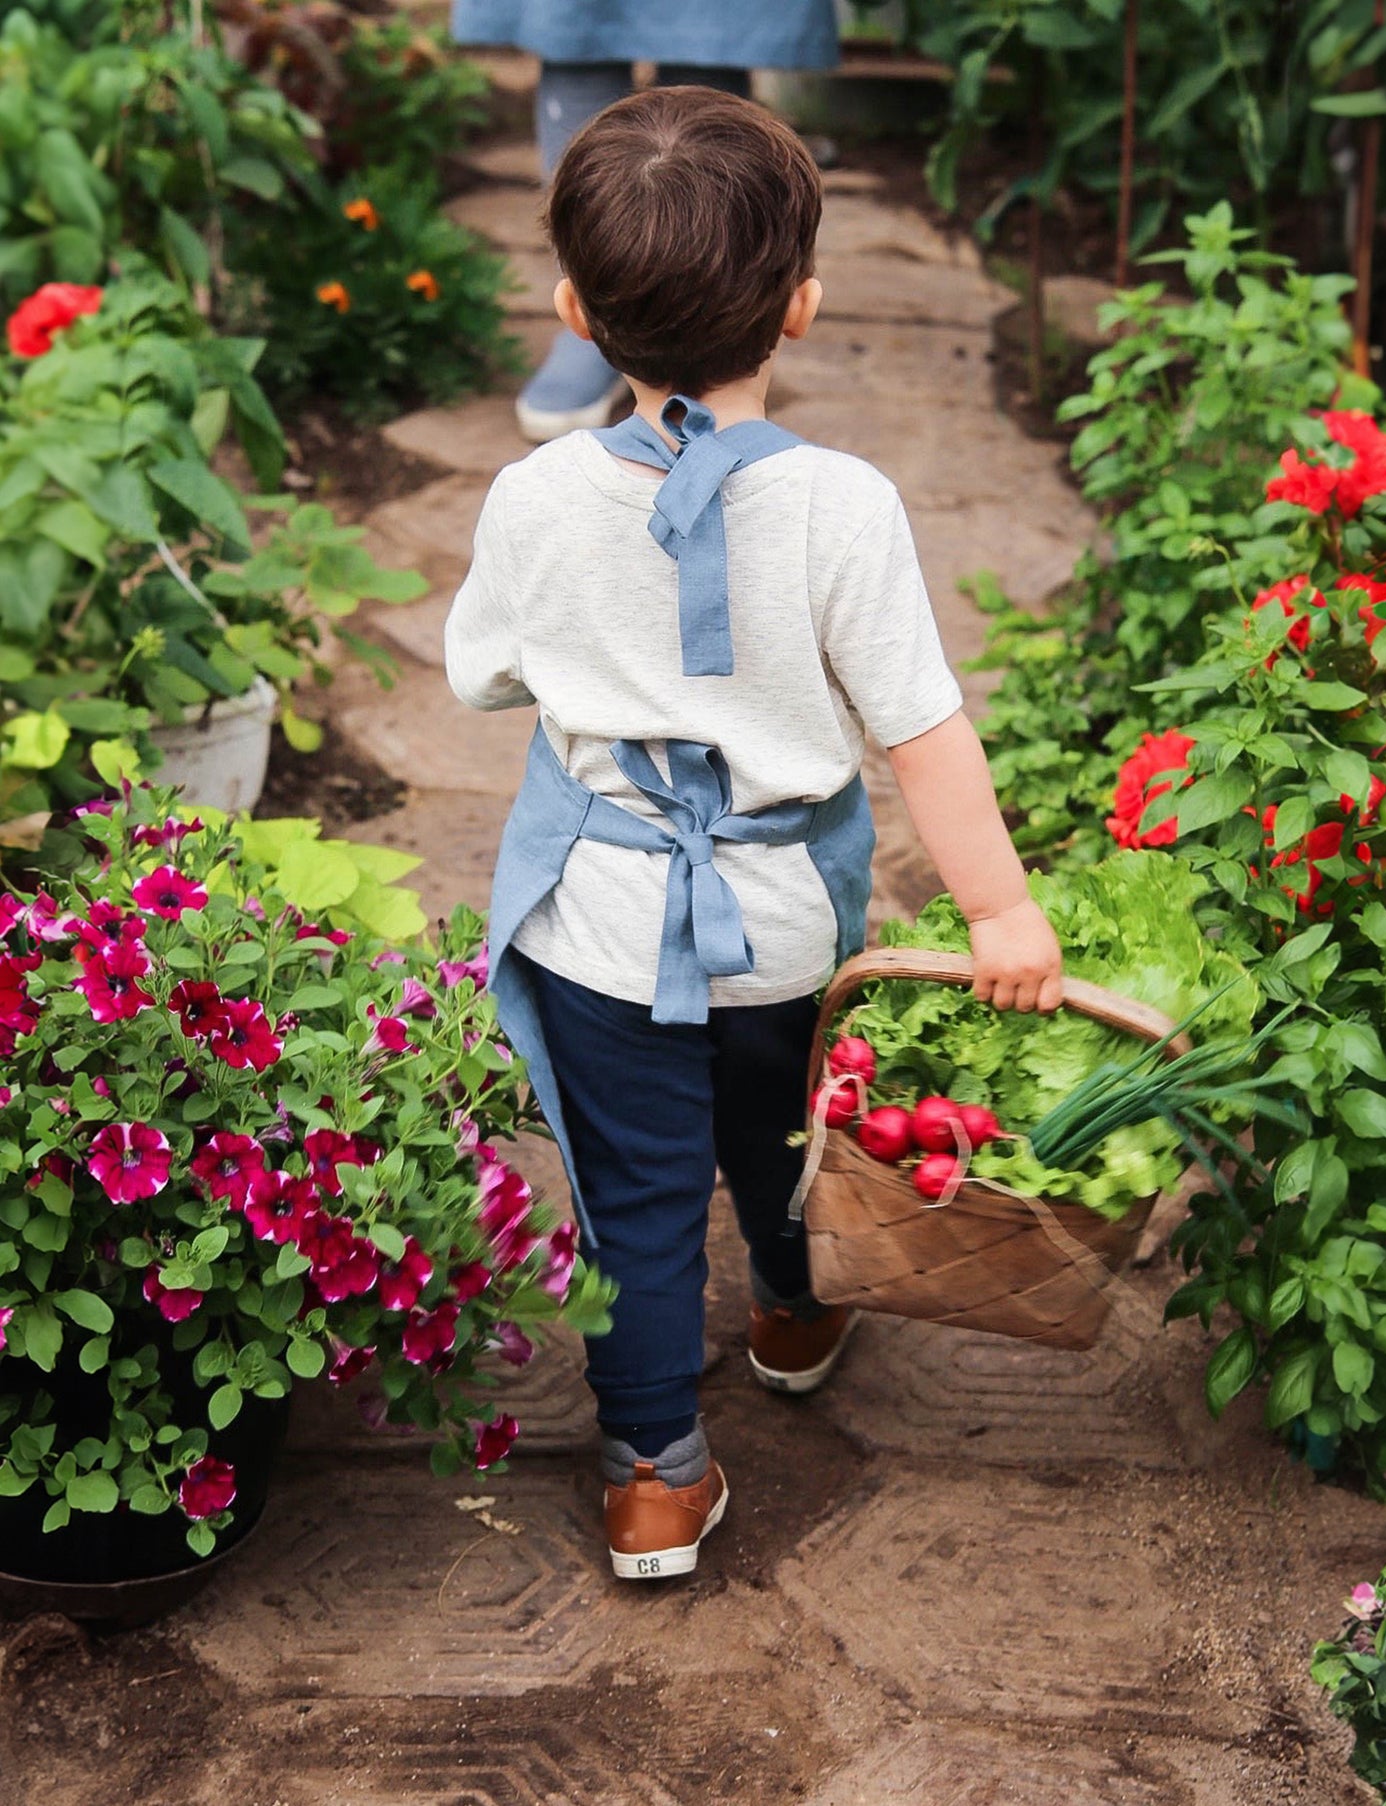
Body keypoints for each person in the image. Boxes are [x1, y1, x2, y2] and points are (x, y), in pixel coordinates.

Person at [444, 88, 1063, 1582]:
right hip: (780, 923)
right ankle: (792, 1311)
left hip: (600, 919)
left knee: (639, 1197)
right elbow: (923, 732)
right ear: (801, 307)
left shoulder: (536, 496)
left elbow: (485, 672)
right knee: (785, 1137)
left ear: (573, 307)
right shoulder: (845, 509)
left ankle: (654, 1475)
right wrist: (997, 914)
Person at [449, 0, 838, 441]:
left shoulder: (516, 495)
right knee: (570, 22)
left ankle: (730, 326)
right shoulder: (862, 497)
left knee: (713, 28)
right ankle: (611, 314)